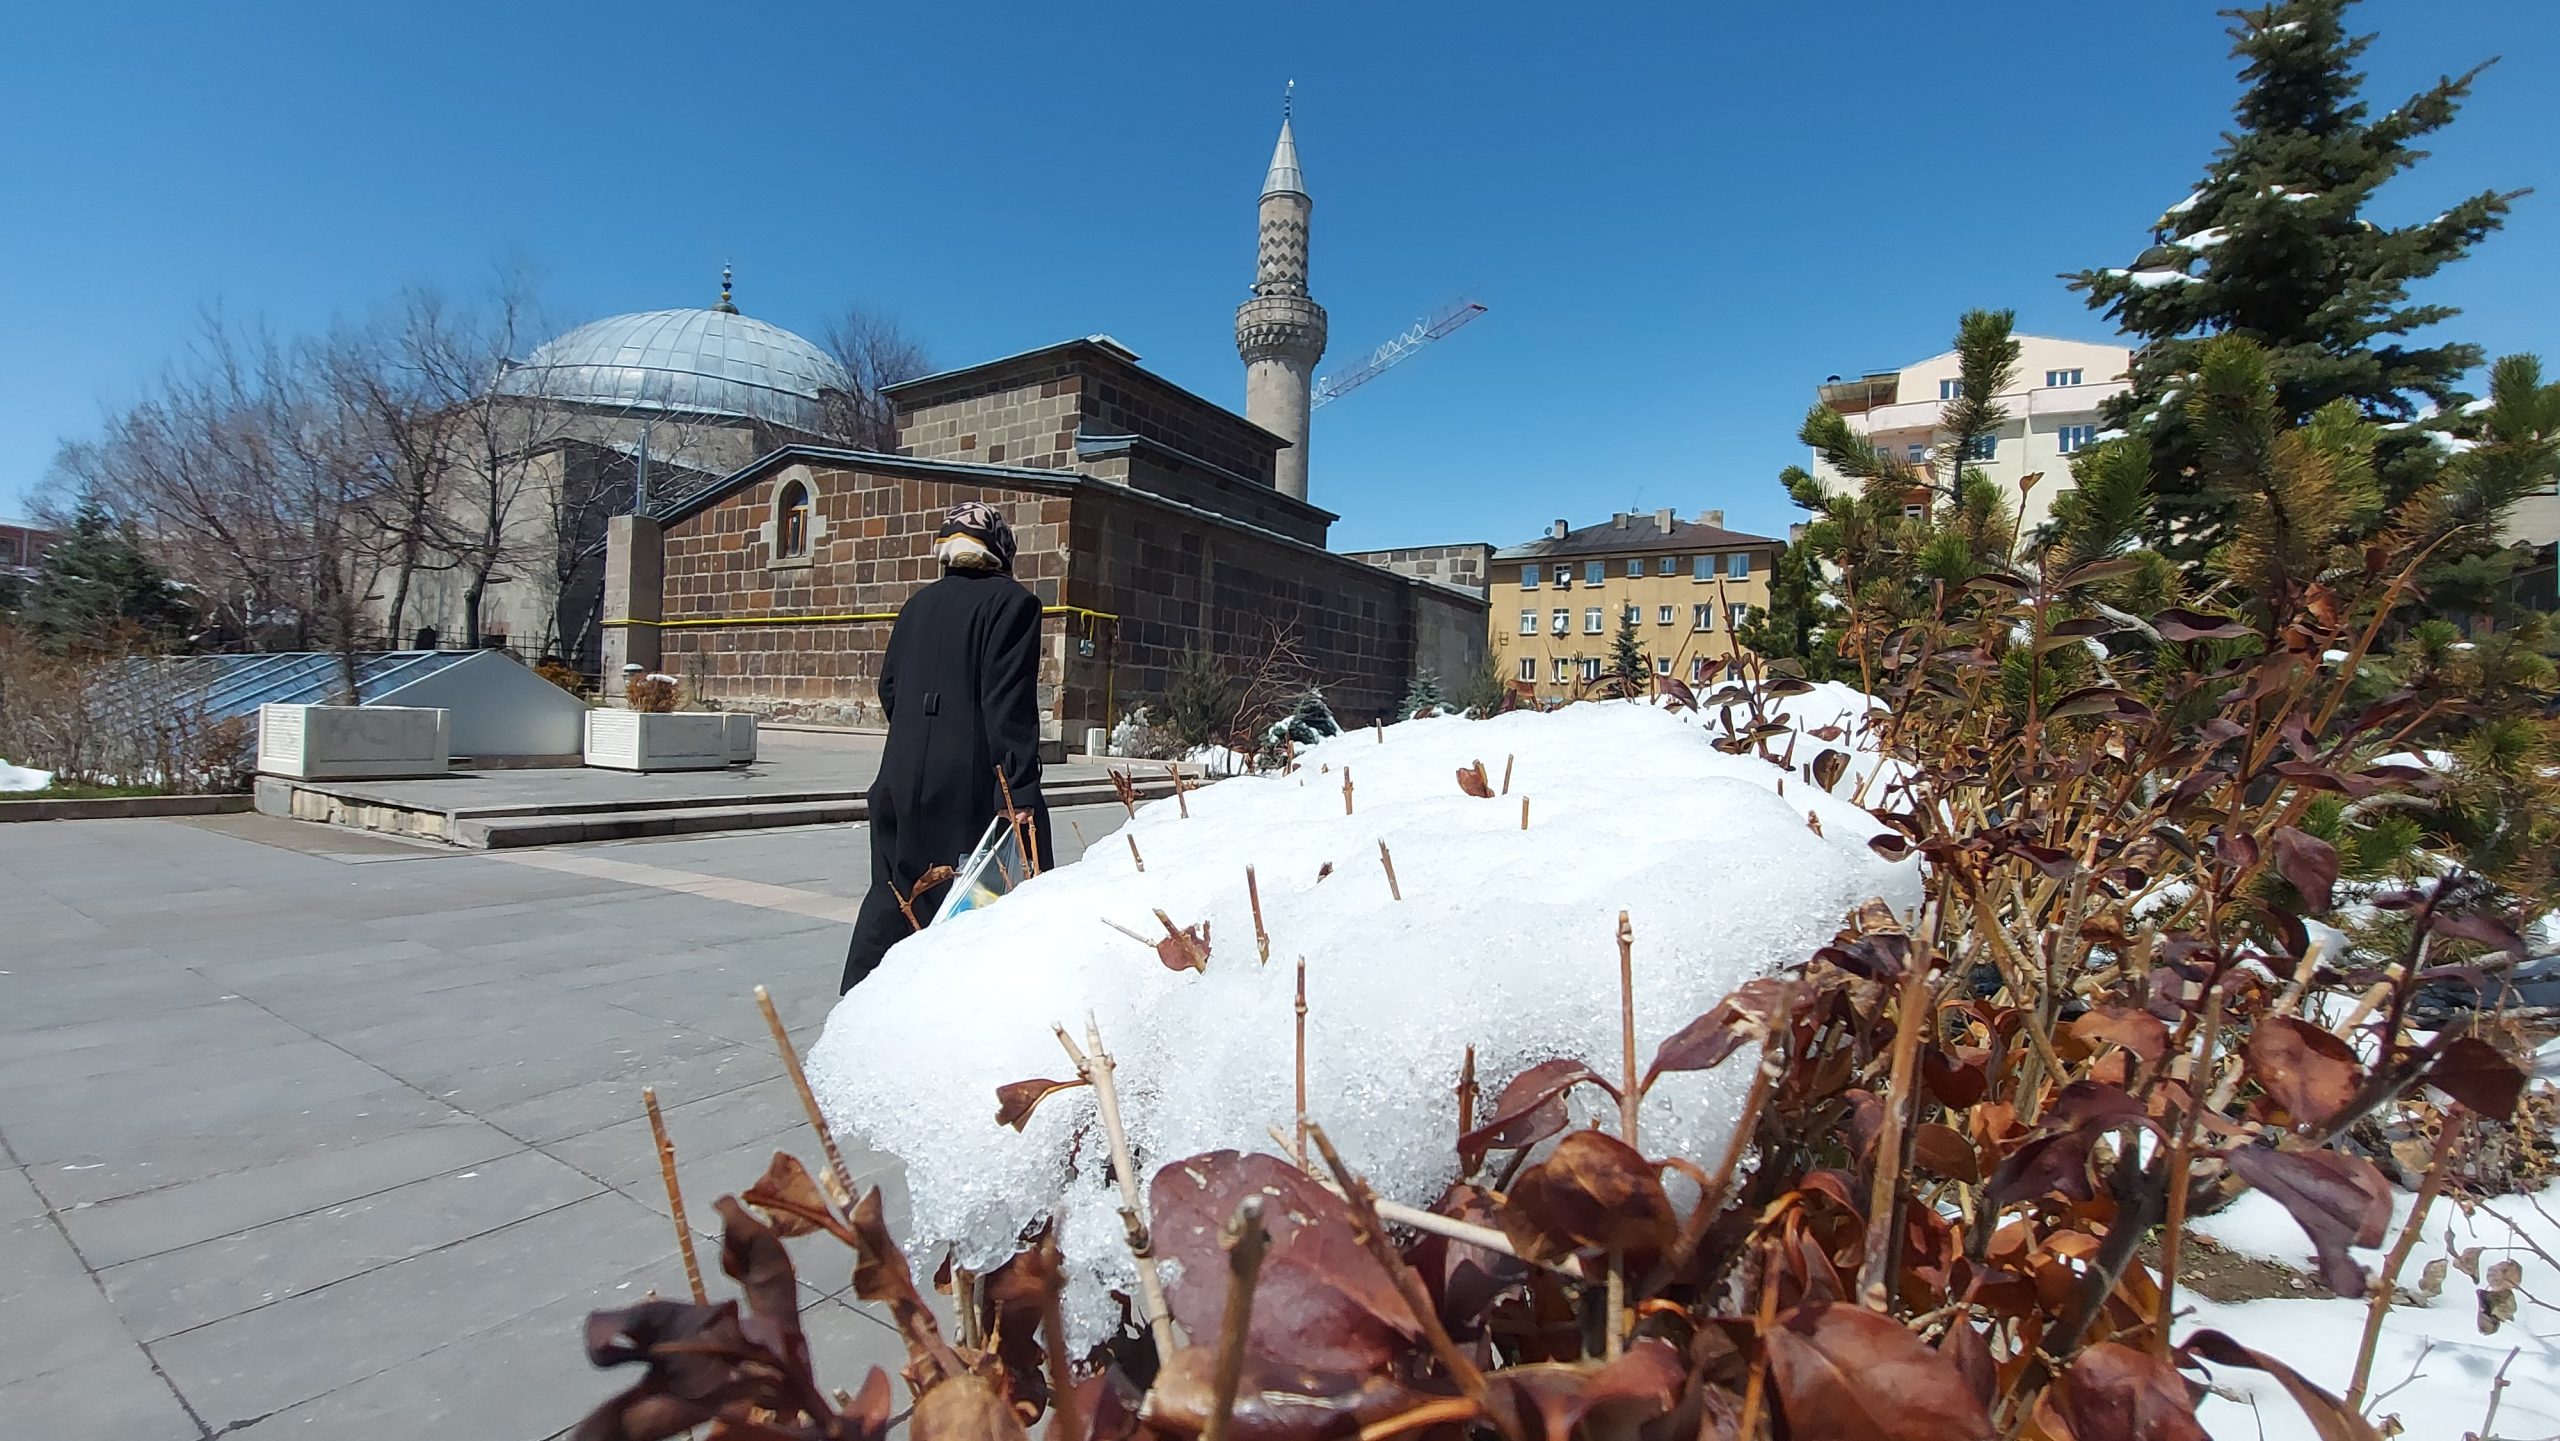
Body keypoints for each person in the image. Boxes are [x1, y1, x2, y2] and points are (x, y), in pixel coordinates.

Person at [843, 502, 1054, 991]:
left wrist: (921, 735)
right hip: (969, 787)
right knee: (975, 911)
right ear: (1000, 549)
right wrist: (1020, 794)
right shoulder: (1013, 604)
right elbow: (1008, 707)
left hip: (898, 777)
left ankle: (856, 1006)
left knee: (895, 896)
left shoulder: (917, 605)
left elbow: (890, 688)